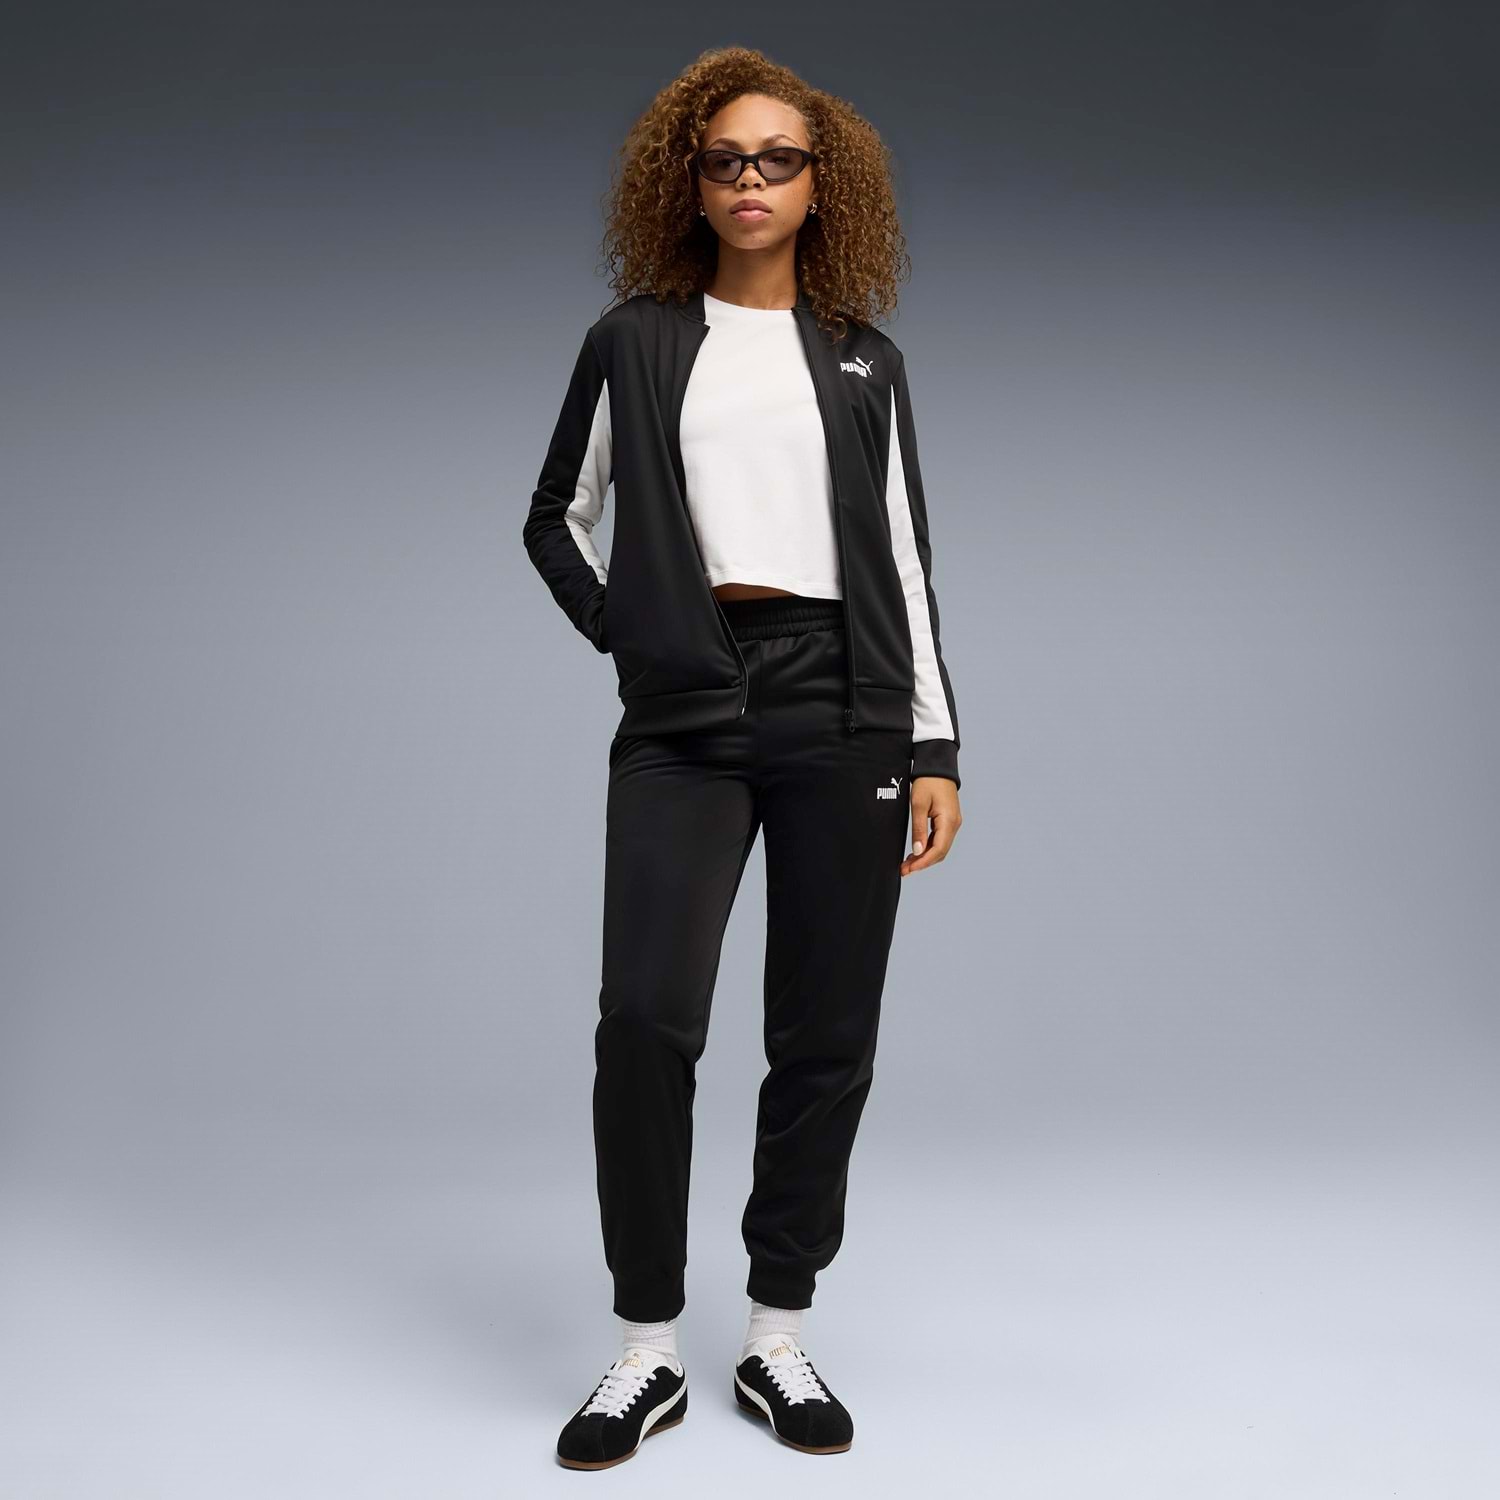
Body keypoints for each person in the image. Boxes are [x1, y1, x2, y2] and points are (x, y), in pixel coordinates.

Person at [522, 46, 964, 1470]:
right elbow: (553, 517)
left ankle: (777, 1331)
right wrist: (635, 630)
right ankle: (645, 1348)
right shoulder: (636, 340)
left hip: (847, 701)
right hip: (685, 714)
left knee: (825, 1032)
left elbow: (902, 560)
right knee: (646, 1021)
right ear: (690, 182)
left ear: (824, 182)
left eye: (780, 158)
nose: (752, 179)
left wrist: (935, 740)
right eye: (726, 160)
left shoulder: (865, 360)